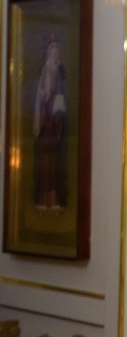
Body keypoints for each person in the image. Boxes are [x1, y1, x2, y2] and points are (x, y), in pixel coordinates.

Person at [33, 39, 68, 211]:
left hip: (56, 122)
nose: (54, 55)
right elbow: (40, 95)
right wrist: (42, 94)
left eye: (56, 53)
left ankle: (54, 199)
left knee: (54, 163)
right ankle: (42, 198)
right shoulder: (44, 71)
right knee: (45, 162)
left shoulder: (60, 72)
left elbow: (62, 96)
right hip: (45, 122)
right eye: (52, 52)